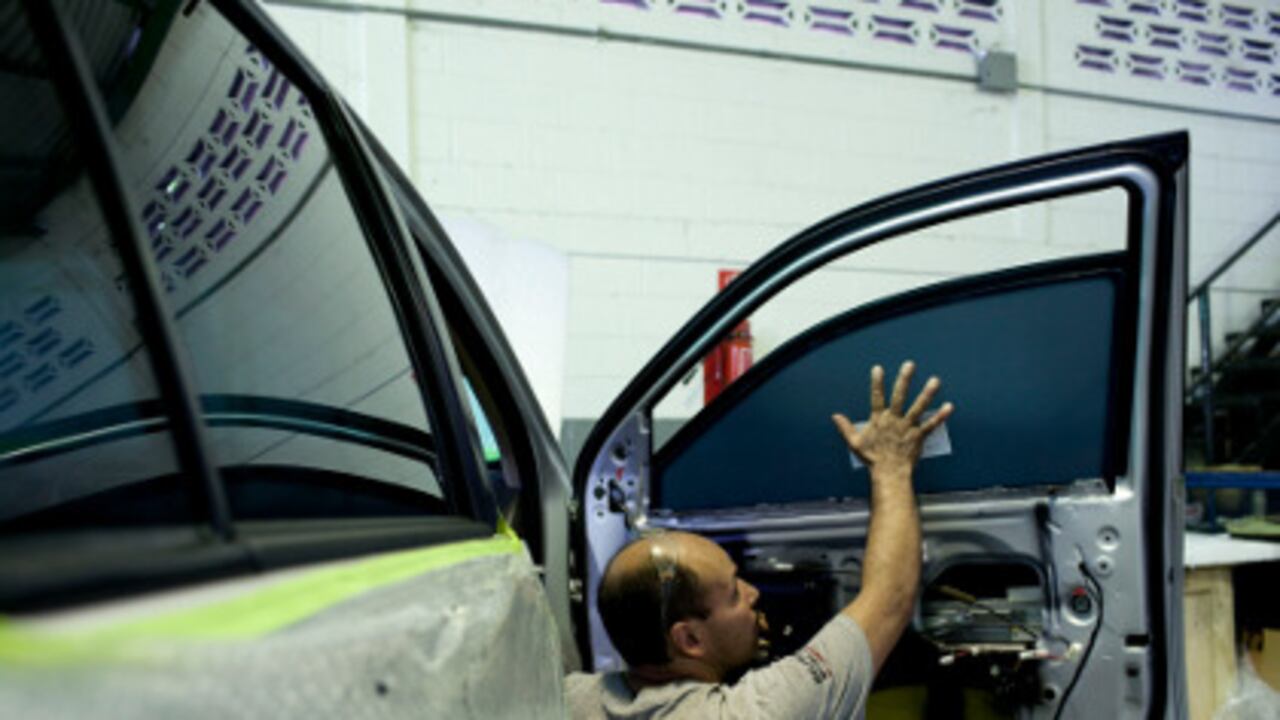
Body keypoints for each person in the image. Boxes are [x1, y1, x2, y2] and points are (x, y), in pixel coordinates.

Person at [566, 361, 954, 719]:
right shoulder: (763, 709)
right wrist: (891, 468)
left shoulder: (565, 699)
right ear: (689, 639)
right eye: (734, 593)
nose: (753, 593)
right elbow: (889, 598)